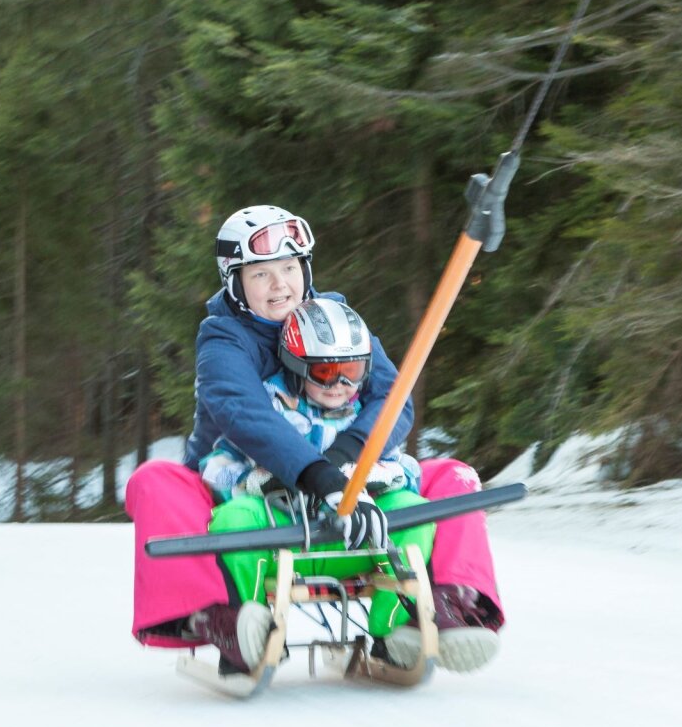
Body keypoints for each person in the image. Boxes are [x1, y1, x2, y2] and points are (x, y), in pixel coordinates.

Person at [124, 205, 504, 674]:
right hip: (240, 477)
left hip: (350, 473)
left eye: (288, 268)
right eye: (261, 274)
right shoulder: (224, 339)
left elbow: (393, 396)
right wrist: (322, 478)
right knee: (155, 481)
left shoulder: (335, 320)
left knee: (451, 476)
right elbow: (246, 417)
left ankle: (444, 606)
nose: (280, 284)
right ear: (234, 282)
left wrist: (346, 464)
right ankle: (223, 617)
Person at [201, 298, 436, 672]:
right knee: (233, 520)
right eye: (326, 371)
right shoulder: (270, 408)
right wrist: (266, 481)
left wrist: (365, 482)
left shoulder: (364, 415)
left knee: (414, 511)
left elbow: (402, 468)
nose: (342, 384)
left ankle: (393, 630)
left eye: (353, 370)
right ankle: (252, 628)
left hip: (357, 543)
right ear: (296, 366)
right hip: (283, 542)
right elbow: (218, 466)